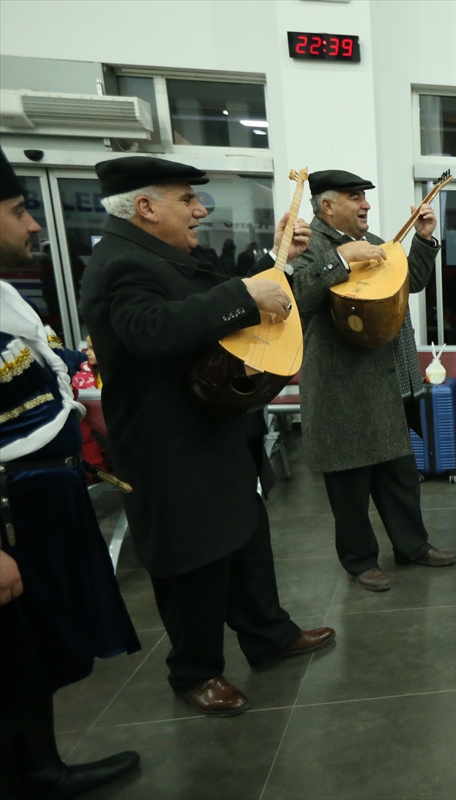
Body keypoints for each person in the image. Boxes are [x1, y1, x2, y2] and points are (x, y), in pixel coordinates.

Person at [80, 156, 333, 718]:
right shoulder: (121, 263)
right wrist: (246, 296)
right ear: (146, 207)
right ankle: (195, 671)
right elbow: (154, 331)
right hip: (167, 446)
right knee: (192, 560)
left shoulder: (160, 255)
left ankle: (269, 635)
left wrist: (275, 263)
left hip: (209, 432)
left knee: (244, 537)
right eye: (185, 199)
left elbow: (214, 296)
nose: (200, 210)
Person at [0, 149, 143, 800]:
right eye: (17, 210)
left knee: (29, 655)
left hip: (42, 498)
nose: (34, 226)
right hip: (10, 510)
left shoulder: (6, 297)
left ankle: (39, 767)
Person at [290, 169, 456, 594]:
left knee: (398, 475)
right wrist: (344, 259)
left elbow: (410, 281)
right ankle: (359, 561)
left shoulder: (375, 243)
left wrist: (421, 239)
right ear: (327, 206)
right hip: (337, 386)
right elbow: (301, 296)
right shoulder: (308, 246)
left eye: (364, 197)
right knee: (348, 485)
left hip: (381, 383)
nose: (365, 204)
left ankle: (412, 546)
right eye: (354, 197)